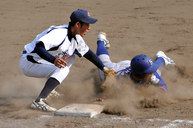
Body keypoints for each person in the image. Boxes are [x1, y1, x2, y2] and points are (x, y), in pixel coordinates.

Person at [19, 9, 110, 112]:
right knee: (63, 69)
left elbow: (88, 54)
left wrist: (103, 68)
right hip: (29, 62)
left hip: (41, 61)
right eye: (87, 24)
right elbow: (39, 47)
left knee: (71, 57)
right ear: (77, 24)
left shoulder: (76, 38)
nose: (89, 28)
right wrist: (53, 60)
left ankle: (50, 89)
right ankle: (39, 101)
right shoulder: (59, 34)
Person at [96, 32, 175, 93]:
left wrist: (158, 94)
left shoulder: (150, 75)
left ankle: (162, 58)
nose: (152, 72)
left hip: (135, 66)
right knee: (102, 63)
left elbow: (163, 87)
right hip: (116, 69)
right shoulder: (121, 82)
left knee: (157, 71)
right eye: (150, 72)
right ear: (143, 75)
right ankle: (101, 40)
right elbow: (111, 93)